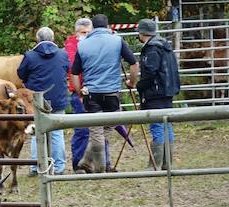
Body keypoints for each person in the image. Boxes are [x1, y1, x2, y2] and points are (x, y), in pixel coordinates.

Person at [70, 14, 138, 173]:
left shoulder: (83, 45)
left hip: (91, 93)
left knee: (97, 130)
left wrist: (79, 92)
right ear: (108, 26)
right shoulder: (117, 40)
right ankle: (100, 169)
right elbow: (134, 63)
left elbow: (74, 73)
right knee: (106, 126)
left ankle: (87, 162)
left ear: (92, 27)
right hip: (112, 92)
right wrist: (132, 82)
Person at [17, 26, 70, 174]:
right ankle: (59, 167)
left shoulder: (30, 56)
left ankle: (36, 166)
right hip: (58, 99)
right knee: (57, 133)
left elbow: (21, 73)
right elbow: (67, 70)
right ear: (52, 39)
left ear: (37, 39)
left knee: (36, 133)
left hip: (37, 101)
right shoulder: (63, 54)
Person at [136, 18, 181, 169]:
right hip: (167, 91)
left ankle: (155, 163)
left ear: (143, 33)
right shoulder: (165, 46)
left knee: (157, 125)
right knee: (166, 125)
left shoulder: (152, 49)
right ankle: (167, 163)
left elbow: (150, 72)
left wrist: (140, 86)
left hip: (156, 92)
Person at [65, 18, 92, 170]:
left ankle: (101, 162)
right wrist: (78, 90)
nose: (86, 35)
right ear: (77, 33)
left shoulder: (92, 43)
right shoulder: (71, 46)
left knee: (98, 129)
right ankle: (78, 163)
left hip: (94, 89)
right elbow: (73, 69)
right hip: (78, 91)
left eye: (89, 32)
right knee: (82, 130)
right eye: (83, 32)